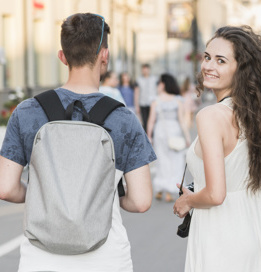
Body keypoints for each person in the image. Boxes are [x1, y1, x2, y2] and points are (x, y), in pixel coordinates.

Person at [0, 13, 155, 271]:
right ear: (104, 55)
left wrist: (45, 196)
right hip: (105, 256)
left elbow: (6, 188)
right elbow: (141, 201)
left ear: (62, 57)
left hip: (40, 258)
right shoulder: (123, 118)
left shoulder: (27, 112)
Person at [173, 25, 261, 272]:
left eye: (220, 61)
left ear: (241, 69)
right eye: (207, 57)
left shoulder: (210, 116)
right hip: (259, 227)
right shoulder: (259, 113)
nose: (208, 66)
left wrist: (188, 200)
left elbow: (216, 194)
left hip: (223, 233)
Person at [146, 73, 190, 202]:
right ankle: (170, 189)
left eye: (159, 83)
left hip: (160, 131)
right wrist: (187, 136)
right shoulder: (178, 100)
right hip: (174, 131)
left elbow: (151, 120)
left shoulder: (156, 100)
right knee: (175, 161)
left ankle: (161, 188)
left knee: (162, 161)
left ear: (164, 84)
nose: (158, 86)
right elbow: (182, 120)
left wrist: (149, 136)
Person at [136, 63, 159, 130]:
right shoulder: (139, 80)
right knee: (145, 121)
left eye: (147, 70)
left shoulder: (155, 79)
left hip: (153, 103)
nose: (145, 71)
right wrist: (137, 105)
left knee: (153, 120)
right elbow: (136, 93)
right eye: (144, 70)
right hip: (143, 103)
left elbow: (158, 90)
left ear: (149, 70)